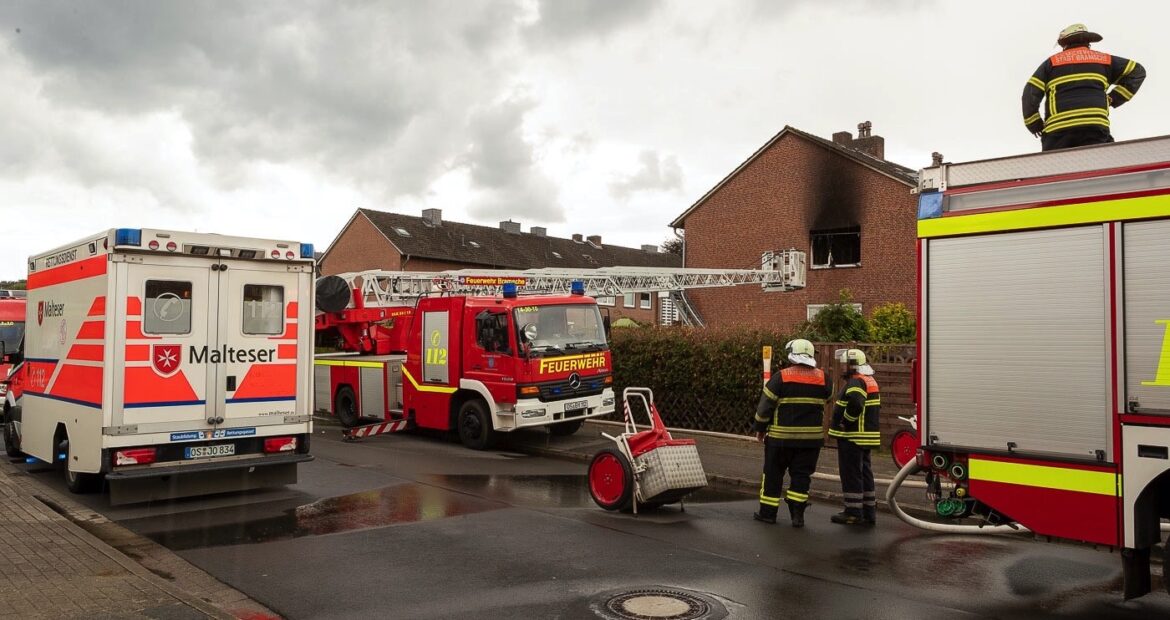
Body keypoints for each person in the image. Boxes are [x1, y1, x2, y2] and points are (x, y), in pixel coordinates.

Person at [1022, 23, 1146, 152]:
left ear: (1065, 44)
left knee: (1057, 168)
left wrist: (1034, 124)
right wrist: (1113, 98)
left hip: (1059, 131)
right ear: (1088, 42)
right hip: (1094, 127)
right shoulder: (1105, 60)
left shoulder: (1051, 63)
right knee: (1101, 164)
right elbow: (1137, 72)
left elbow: (1030, 93)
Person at [751, 339, 832, 528]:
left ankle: (768, 514)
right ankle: (797, 516)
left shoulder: (781, 377)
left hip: (780, 440)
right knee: (802, 476)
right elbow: (828, 398)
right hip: (810, 442)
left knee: (773, 475)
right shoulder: (824, 379)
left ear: (791, 355)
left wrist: (760, 429)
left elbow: (765, 408)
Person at [828, 349, 881, 525]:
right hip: (865, 437)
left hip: (852, 436)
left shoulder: (856, 382)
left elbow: (856, 404)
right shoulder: (869, 380)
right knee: (865, 472)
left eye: (844, 364)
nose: (842, 367)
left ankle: (853, 512)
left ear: (852, 365)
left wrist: (845, 421)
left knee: (851, 473)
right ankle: (868, 511)